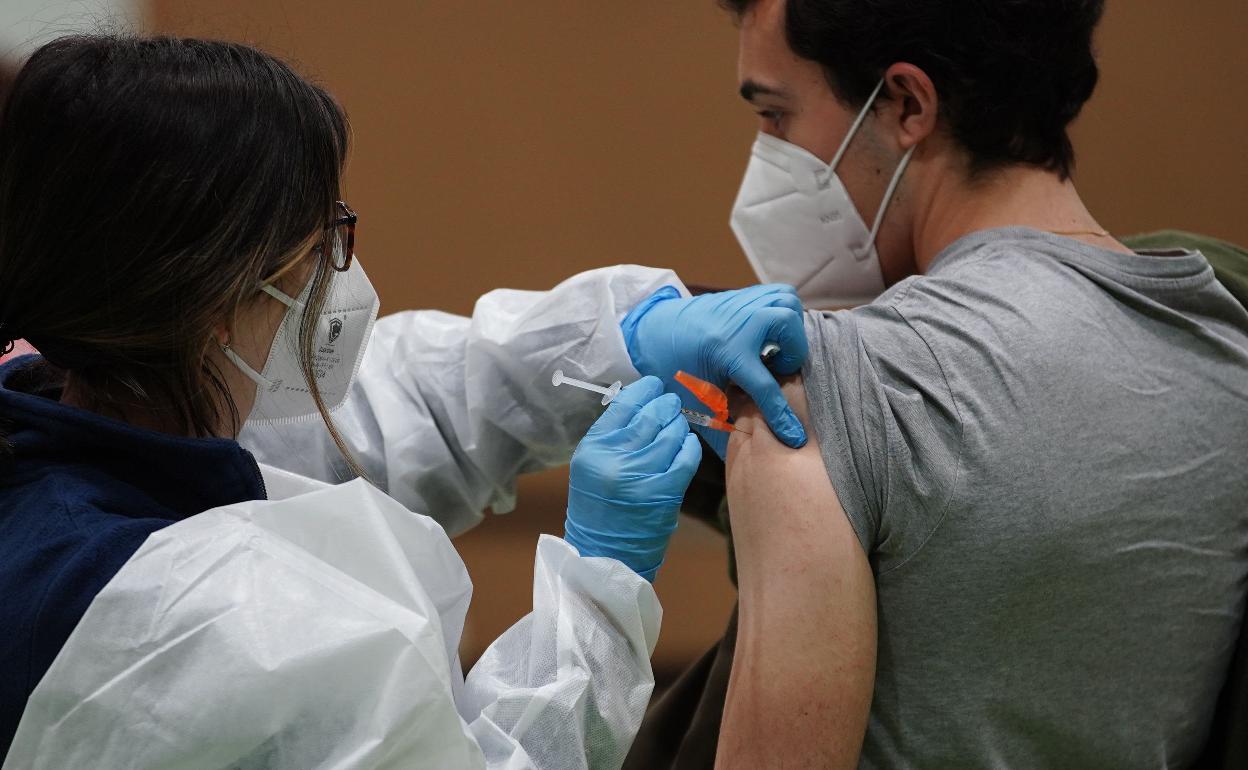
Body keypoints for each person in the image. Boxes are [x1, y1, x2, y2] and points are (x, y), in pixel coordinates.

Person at [0, 35, 807, 768]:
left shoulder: (68, 413)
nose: (339, 273)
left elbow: (386, 409)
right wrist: (601, 584)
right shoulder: (202, 621)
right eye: (322, 243)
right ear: (214, 299)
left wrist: (621, 333)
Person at [618, 0, 1248, 768]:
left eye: (778, 116)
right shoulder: (1226, 352)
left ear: (906, 105)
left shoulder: (835, 385)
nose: (766, 152)